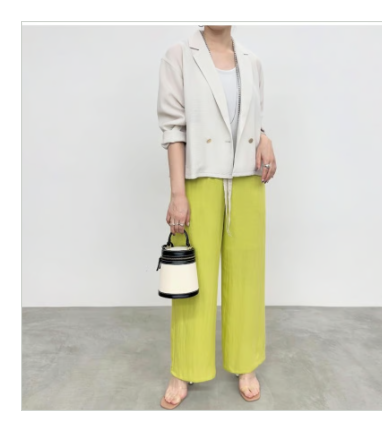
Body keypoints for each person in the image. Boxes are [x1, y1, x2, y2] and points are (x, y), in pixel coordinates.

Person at [156, 25, 277, 409]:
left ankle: (245, 363)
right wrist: (178, 193)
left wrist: (265, 137)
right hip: (200, 179)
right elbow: (174, 128)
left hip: (247, 180)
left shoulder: (252, 61)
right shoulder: (179, 55)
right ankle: (184, 368)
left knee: (247, 278)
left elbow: (250, 118)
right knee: (195, 280)